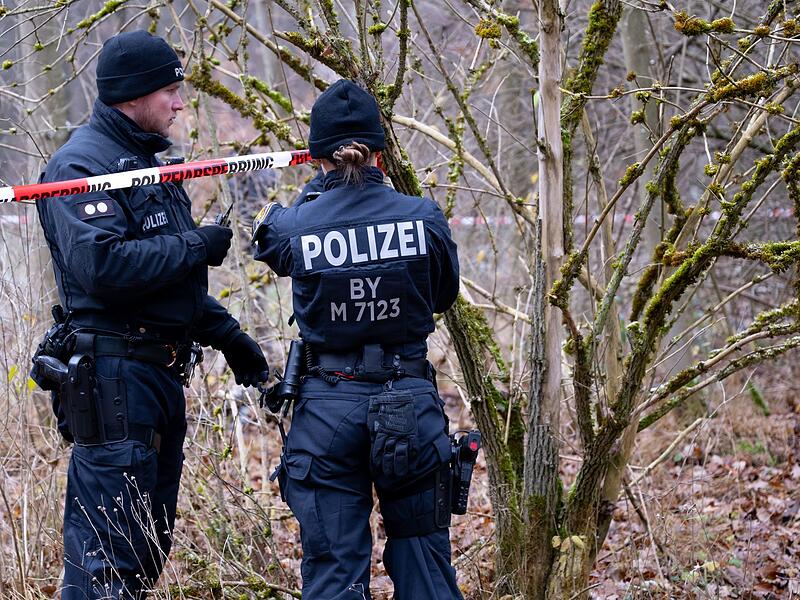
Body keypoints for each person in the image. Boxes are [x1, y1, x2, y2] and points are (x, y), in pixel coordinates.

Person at [33, 30, 269, 599]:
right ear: (133, 94)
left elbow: (166, 289)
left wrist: (229, 337)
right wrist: (195, 245)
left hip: (157, 379)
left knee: (144, 549)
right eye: (170, 91)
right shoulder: (78, 165)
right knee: (107, 560)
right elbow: (104, 268)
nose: (180, 103)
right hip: (115, 383)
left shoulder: (145, 166)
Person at [252, 79, 463, 599]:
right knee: (426, 565)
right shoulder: (423, 217)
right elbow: (442, 296)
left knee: (334, 572)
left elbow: (270, 240)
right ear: (381, 154)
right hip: (409, 400)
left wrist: (320, 191)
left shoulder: (297, 224)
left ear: (316, 157)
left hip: (328, 409)